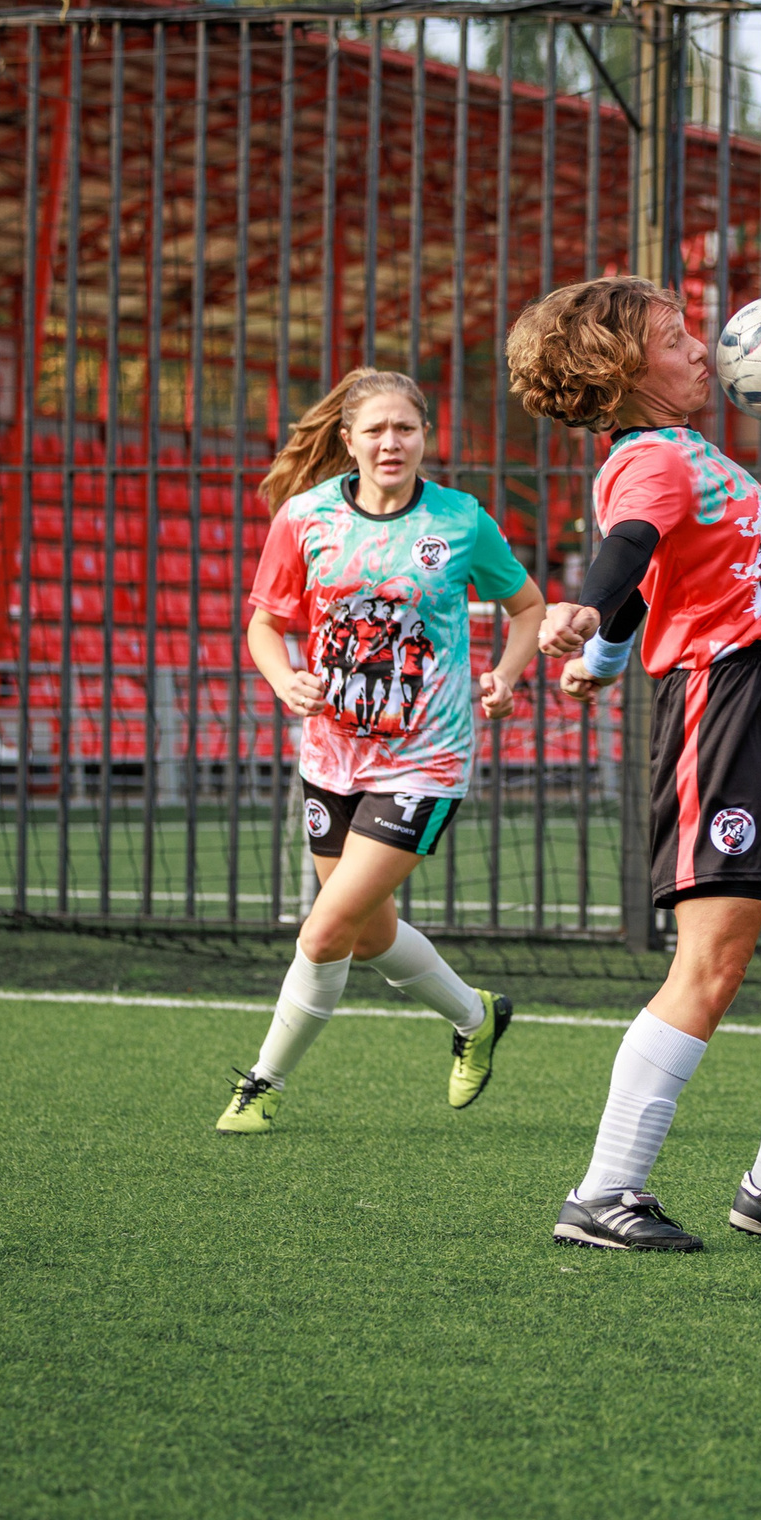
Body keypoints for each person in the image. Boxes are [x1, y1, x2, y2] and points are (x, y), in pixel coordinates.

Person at [506, 275, 761, 1254]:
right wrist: (585, 607)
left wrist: (601, 652)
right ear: (622, 370)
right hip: (727, 701)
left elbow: (649, 578)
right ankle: (605, 1191)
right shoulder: (652, 459)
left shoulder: (692, 453)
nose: (701, 348)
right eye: (677, 339)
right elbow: (628, 548)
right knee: (713, 960)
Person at [215, 368, 547, 1133]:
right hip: (330, 757)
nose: (392, 443)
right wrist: (283, 678)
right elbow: (264, 626)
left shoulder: (461, 520)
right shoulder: (304, 518)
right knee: (365, 935)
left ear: (425, 435)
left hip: (427, 761)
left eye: (406, 428)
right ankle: (475, 1016)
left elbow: (526, 606)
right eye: (376, 430)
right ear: (349, 440)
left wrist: (504, 672)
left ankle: (259, 1086)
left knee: (324, 930)